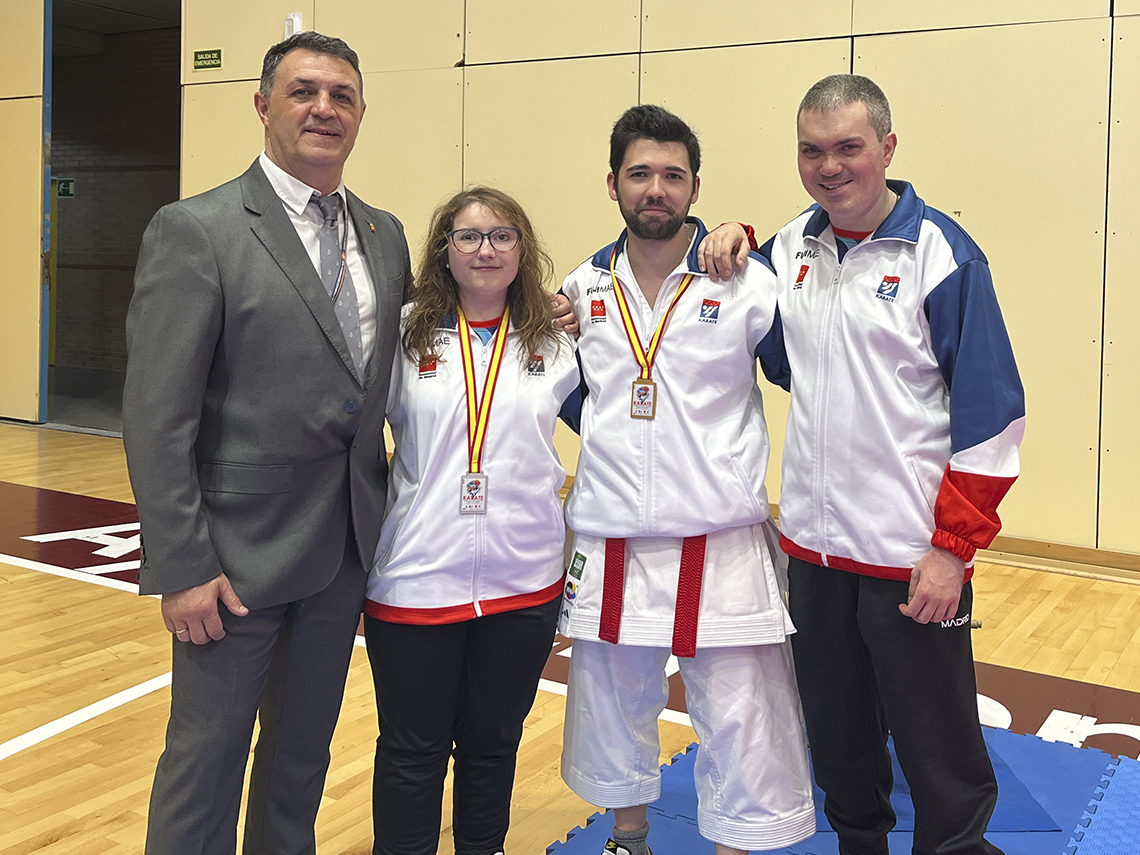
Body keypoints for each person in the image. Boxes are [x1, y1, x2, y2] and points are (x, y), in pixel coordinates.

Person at [699, 74, 1025, 855]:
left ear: (888, 147)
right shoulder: (789, 248)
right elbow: (777, 352)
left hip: (909, 554)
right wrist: (734, 234)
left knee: (937, 744)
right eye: (811, 150)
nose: (830, 166)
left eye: (849, 147)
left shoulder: (942, 254)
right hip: (813, 551)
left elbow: (993, 414)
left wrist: (951, 549)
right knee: (839, 733)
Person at [557, 104, 816, 855]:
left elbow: (809, 370)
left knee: (742, 713)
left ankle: (736, 846)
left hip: (718, 531)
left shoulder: (745, 281)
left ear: (696, 187)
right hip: (613, 536)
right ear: (612, 183)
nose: (656, 189)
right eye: (640, 173)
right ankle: (627, 837)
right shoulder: (583, 287)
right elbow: (577, 397)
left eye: (673, 175)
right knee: (611, 703)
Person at [362, 187, 580, 855]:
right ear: (444, 250)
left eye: (502, 235)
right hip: (416, 578)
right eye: (469, 236)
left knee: (493, 745)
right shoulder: (402, 335)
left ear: (522, 250)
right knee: (412, 750)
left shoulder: (557, 339)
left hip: (524, 582)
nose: (486, 249)